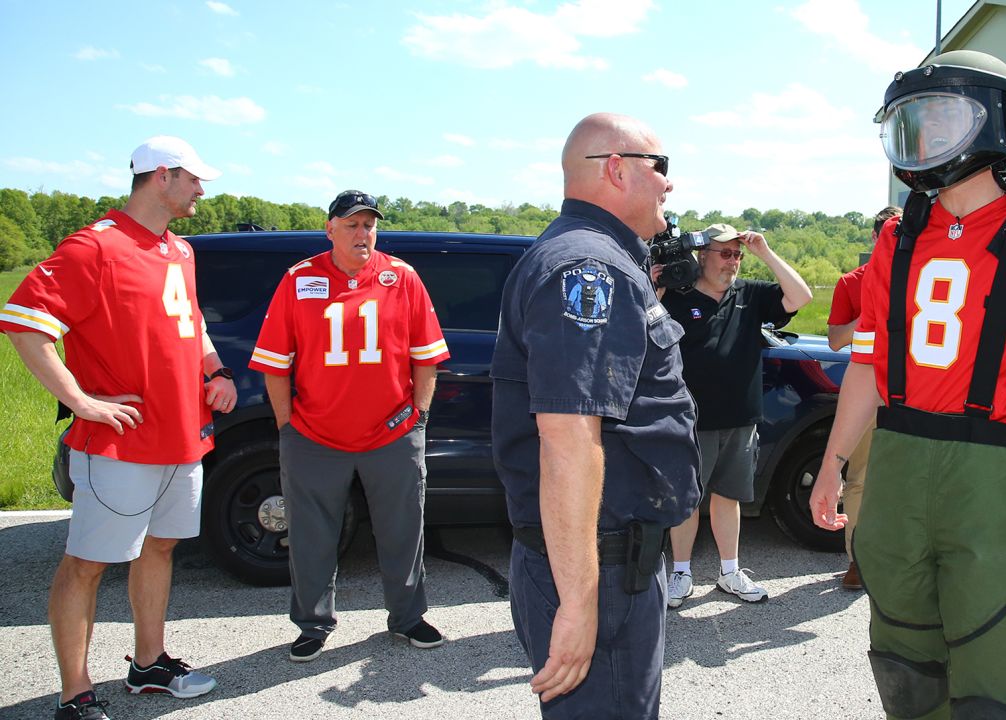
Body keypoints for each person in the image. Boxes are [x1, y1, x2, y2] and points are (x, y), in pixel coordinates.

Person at [809, 51, 1006, 718]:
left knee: (997, 667)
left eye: (941, 118)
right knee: (903, 659)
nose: (922, 137)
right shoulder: (899, 236)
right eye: (911, 121)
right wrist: (833, 462)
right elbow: (867, 363)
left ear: (996, 124)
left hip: (999, 483)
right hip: (897, 468)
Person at [0, 136, 232, 720]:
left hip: (183, 435)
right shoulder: (93, 247)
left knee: (160, 548)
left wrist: (216, 369)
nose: (202, 188)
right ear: (161, 175)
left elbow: (191, 318)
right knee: (87, 562)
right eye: (194, 178)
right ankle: (74, 694)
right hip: (120, 444)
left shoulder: (180, 249)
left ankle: (148, 664)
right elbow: (24, 323)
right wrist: (80, 400)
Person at [490, 112, 700, 719]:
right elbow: (568, 439)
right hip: (597, 567)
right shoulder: (590, 268)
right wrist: (579, 604)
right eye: (660, 166)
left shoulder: (605, 259)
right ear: (615, 168)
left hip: (608, 559)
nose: (669, 184)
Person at [248, 190, 450, 662]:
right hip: (315, 436)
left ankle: (407, 617)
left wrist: (418, 418)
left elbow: (427, 357)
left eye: (369, 225)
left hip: (392, 435)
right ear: (330, 228)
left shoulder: (401, 277)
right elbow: (275, 364)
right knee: (310, 535)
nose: (362, 233)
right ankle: (312, 624)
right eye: (352, 224)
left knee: (404, 529)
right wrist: (287, 428)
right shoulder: (299, 279)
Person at [659, 222, 811, 607]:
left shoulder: (750, 294)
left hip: (740, 418)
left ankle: (729, 572)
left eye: (737, 255)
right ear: (702, 256)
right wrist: (654, 282)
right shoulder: (676, 296)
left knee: (729, 497)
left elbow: (801, 297)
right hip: (690, 419)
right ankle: (680, 573)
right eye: (724, 254)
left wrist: (765, 253)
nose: (733, 262)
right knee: (687, 500)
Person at [825, 205, 901, 590]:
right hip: (870, 390)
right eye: (888, 232)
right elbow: (836, 340)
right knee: (860, 480)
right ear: (875, 238)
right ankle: (856, 560)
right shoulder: (852, 282)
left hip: (917, 393)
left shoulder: (924, 272)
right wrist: (871, 314)